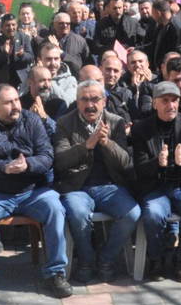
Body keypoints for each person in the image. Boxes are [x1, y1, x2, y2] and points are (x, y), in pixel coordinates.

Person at [0, 84, 69, 300]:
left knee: (55, 207)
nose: (15, 106)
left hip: (33, 191)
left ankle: (56, 274)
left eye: (16, 101)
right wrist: (4, 168)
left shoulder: (32, 121)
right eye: (8, 103)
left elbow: (47, 156)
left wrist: (28, 165)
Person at [53, 79, 138, 282]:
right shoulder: (65, 123)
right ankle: (86, 260)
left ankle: (106, 259)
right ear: (77, 101)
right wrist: (87, 145)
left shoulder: (116, 122)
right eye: (84, 99)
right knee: (78, 213)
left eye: (95, 99)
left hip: (110, 186)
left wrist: (107, 143)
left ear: (104, 101)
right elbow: (60, 161)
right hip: (77, 187)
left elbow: (126, 163)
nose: (90, 105)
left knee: (132, 213)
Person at [130, 81, 181, 282]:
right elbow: (138, 169)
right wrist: (158, 163)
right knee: (153, 214)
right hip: (156, 187)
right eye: (165, 101)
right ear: (155, 103)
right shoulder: (141, 129)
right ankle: (156, 259)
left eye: (174, 100)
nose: (170, 105)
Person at [0, 14, 34, 88]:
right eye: (7, 25)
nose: (11, 28)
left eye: (13, 25)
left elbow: (31, 57)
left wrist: (22, 55)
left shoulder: (24, 38)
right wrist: (4, 54)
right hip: (5, 80)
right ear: (2, 27)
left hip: (22, 80)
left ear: (17, 25)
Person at [35, 41, 78, 106]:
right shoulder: (32, 78)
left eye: (56, 59)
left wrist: (47, 80)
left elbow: (68, 103)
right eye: (48, 59)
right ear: (39, 60)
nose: (53, 63)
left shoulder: (70, 80)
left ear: (60, 60)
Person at [143, 0, 180, 70]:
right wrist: (137, 49)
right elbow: (154, 44)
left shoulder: (175, 27)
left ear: (158, 13)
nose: (152, 17)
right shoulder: (160, 26)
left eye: (153, 13)